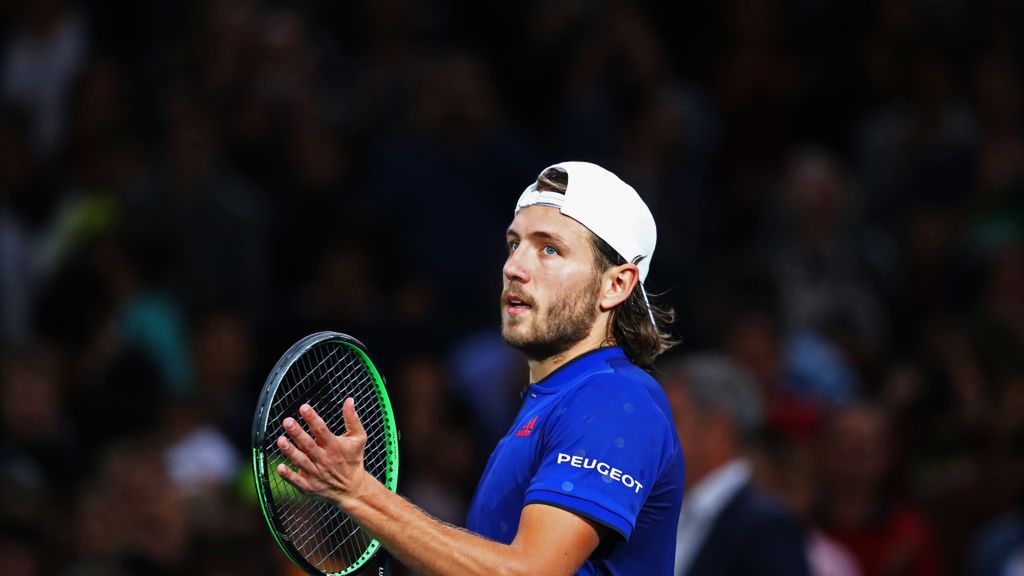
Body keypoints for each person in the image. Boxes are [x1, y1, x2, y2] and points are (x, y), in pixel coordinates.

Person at [274, 161, 685, 574]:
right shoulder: (554, 402)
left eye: (549, 249)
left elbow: (529, 572)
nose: (513, 267)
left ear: (616, 285)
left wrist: (360, 493)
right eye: (514, 244)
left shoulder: (615, 399)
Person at [661, 353, 811, 576]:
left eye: (673, 418)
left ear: (717, 429)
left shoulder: (767, 528)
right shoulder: (662, 511)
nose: (656, 432)